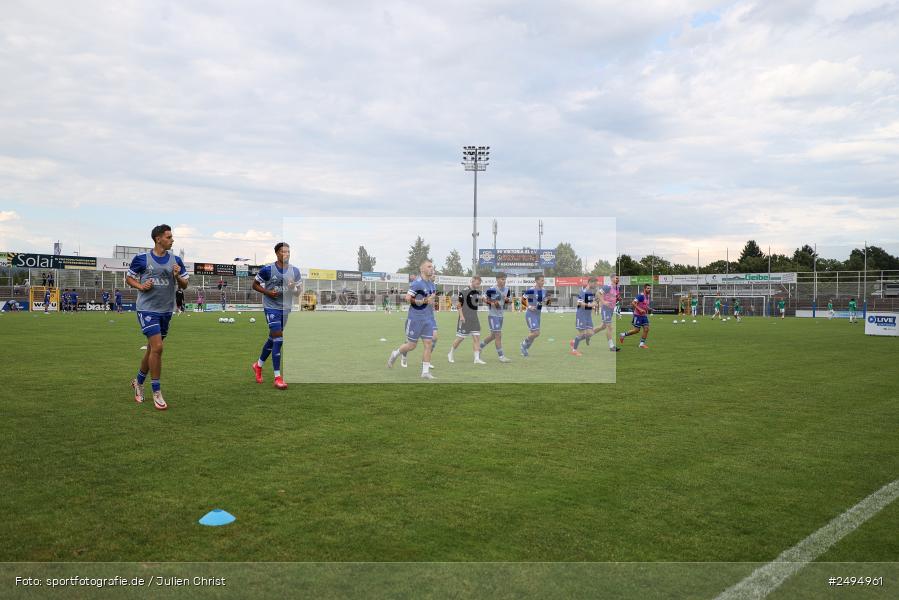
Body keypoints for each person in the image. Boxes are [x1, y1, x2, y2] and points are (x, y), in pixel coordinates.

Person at [127, 224, 189, 410]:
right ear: (158, 239)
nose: (172, 240)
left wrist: (177, 277)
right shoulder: (141, 259)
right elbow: (129, 278)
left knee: (152, 350)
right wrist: (140, 286)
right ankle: (157, 391)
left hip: (165, 311)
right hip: (147, 309)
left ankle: (138, 382)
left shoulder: (175, 260)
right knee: (158, 347)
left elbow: (185, 285)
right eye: (169, 237)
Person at [251, 242, 302, 390]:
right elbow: (255, 285)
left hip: (285, 309)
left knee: (272, 339)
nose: (286, 254)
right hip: (271, 308)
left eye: (288, 252)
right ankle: (278, 378)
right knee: (278, 340)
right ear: (277, 254)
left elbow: (298, 292)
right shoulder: (268, 270)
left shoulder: (295, 271)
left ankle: (258, 365)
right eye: (282, 252)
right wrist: (268, 292)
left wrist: (293, 288)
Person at [388, 260, 437, 379]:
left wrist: (431, 302)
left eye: (432, 266)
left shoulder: (432, 284)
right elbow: (407, 298)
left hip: (428, 319)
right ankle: (395, 353)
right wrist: (423, 301)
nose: (432, 268)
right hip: (415, 319)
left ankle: (425, 372)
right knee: (411, 345)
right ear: (422, 269)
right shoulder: (417, 283)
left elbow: (430, 300)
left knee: (428, 344)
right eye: (429, 266)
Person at [448, 275, 486, 364]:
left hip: (474, 318)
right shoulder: (464, 291)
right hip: (465, 318)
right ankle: (450, 353)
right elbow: (458, 304)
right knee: (460, 338)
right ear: (472, 281)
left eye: (479, 284)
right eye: (477, 283)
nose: (478, 285)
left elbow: (480, 300)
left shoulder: (478, 292)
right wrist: (461, 316)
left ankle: (476, 359)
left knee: (476, 338)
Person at [480, 272, 513, 362]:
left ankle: (480, 346)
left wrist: (507, 301)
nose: (504, 281)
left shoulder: (507, 289)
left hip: (501, 316)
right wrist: (491, 303)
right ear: (497, 279)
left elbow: (508, 303)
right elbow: (483, 298)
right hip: (493, 315)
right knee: (498, 335)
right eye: (502, 279)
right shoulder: (492, 289)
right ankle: (501, 357)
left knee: (493, 336)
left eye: (505, 279)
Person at [520, 274, 548, 357]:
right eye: (541, 280)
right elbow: (522, 300)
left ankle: (525, 349)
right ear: (536, 281)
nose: (543, 282)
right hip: (530, 314)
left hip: (538, 314)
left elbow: (546, 301)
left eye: (543, 280)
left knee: (534, 334)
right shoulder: (531, 290)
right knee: (536, 333)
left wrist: (546, 301)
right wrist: (529, 306)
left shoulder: (544, 290)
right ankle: (523, 344)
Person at [592, 275, 621, 352]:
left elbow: (614, 296)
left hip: (611, 309)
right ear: (612, 279)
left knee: (603, 326)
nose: (618, 279)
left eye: (618, 278)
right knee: (609, 326)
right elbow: (598, 293)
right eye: (616, 278)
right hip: (606, 309)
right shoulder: (607, 287)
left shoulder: (617, 288)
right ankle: (611, 346)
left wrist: (618, 298)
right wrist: (604, 302)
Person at [569, 278, 598, 356]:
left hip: (588, 316)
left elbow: (592, 303)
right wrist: (591, 305)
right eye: (595, 283)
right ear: (590, 283)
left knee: (591, 333)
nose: (596, 285)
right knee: (582, 333)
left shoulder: (591, 292)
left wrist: (594, 305)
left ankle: (574, 342)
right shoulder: (583, 291)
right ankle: (574, 350)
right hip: (581, 315)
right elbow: (579, 303)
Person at [620, 283, 652, 349]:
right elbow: (633, 303)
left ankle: (641, 344)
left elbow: (644, 305)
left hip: (644, 315)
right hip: (637, 315)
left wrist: (648, 308)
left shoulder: (648, 296)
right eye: (648, 288)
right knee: (636, 330)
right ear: (644, 289)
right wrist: (640, 309)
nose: (649, 289)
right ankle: (623, 334)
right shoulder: (641, 295)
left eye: (650, 288)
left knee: (646, 329)